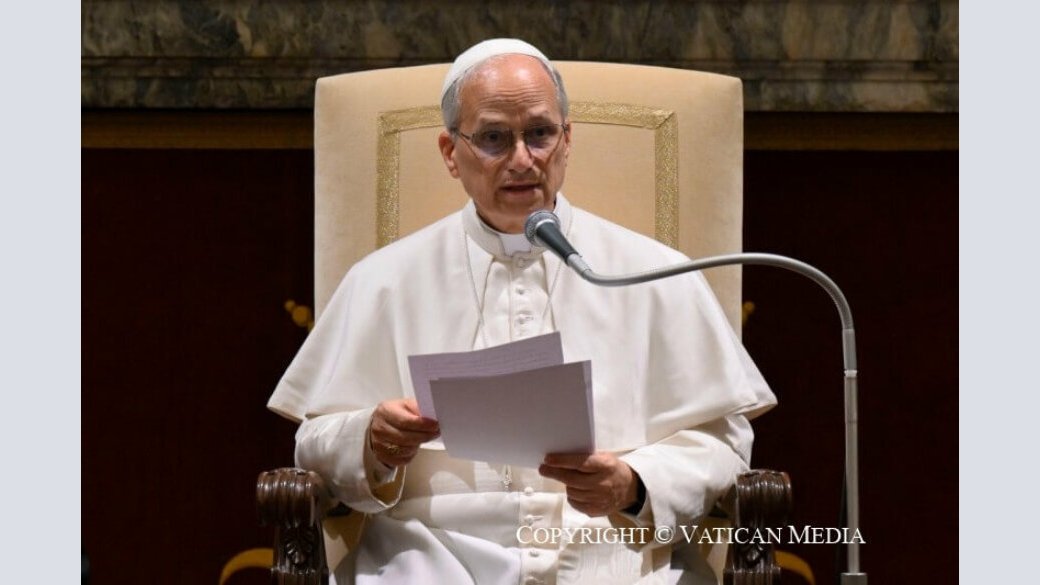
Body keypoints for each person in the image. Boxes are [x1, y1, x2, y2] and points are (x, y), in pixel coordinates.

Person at [268, 38, 776, 585]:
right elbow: (312, 445)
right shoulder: (383, 281)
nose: (521, 160)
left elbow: (724, 444)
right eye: (493, 137)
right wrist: (371, 441)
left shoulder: (653, 273)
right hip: (431, 559)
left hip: (615, 559)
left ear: (567, 140)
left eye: (539, 133)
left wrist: (635, 484)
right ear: (450, 152)